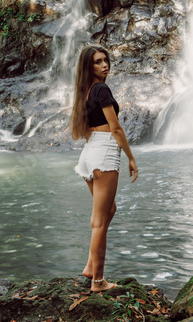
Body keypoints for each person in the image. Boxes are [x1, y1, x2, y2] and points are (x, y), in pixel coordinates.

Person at [71, 44, 138, 292]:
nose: (104, 65)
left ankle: (90, 267)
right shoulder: (101, 88)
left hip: (90, 152)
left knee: (109, 209)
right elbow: (116, 128)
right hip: (105, 151)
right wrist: (131, 158)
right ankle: (98, 282)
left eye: (105, 60)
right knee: (99, 221)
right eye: (98, 62)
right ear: (89, 66)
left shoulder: (85, 91)